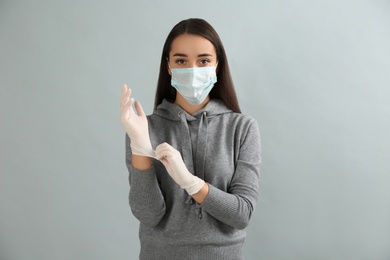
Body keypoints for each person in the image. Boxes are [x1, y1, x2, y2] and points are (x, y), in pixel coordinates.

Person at [120, 18, 261, 260]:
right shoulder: (144, 127)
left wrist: (190, 182)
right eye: (181, 61)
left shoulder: (242, 127)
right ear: (168, 66)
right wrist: (140, 147)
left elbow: (242, 214)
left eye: (204, 60)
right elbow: (148, 215)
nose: (193, 70)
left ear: (217, 64)